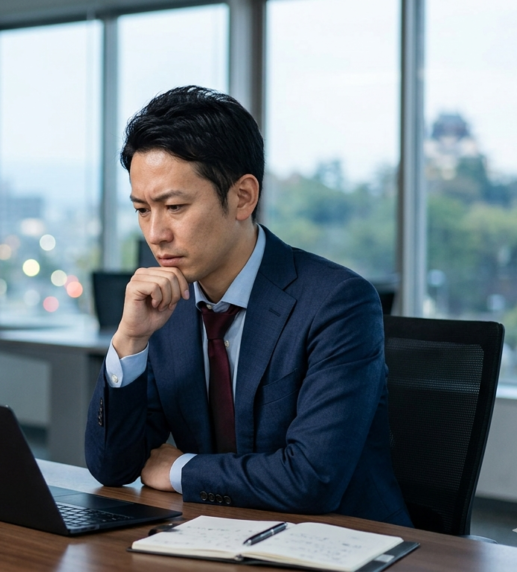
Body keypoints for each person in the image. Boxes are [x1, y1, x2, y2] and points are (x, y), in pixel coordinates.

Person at [84, 86, 412, 527]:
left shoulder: (337, 303)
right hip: (215, 536)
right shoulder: (169, 304)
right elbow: (113, 467)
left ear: (242, 197)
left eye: (175, 207)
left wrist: (179, 468)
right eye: (143, 210)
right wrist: (130, 339)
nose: (156, 233)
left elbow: (310, 479)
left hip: (340, 543)